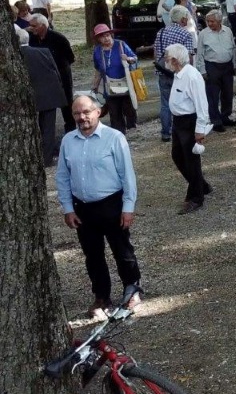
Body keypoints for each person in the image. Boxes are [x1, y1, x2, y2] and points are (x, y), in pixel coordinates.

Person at [56, 95, 142, 318]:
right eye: (77, 113)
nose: (82, 117)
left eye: (86, 112)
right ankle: (102, 296)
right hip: (83, 208)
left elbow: (127, 175)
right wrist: (68, 208)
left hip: (111, 204)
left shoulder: (114, 138)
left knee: (122, 250)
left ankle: (132, 288)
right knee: (92, 255)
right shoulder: (68, 141)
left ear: (98, 112)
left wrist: (128, 207)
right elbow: (63, 177)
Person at [164, 43, 212, 216]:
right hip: (178, 122)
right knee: (177, 155)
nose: (165, 62)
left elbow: (201, 104)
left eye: (167, 59)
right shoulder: (178, 74)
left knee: (191, 160)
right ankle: (201, 185)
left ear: (175, 60)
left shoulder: (192, 76)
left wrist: (200, 129)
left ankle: (196, 197)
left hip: (189, 122)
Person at [19, 26, 66, 165]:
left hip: (27, 97)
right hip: (49, 94)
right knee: (48, 128)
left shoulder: (15, 56)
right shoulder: (44, 51)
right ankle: (47, 159)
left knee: (28, 127)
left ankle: (31, 157)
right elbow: (55, 71)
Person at [27, 13, 75, 133]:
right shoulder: (31, 39)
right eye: (30, 25)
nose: (31, 28)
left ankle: (71, 129)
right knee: (46, 105)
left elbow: (70, 58)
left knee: (66, 103)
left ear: (43, 26)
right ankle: (46, 133)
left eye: (34, 26)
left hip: (61, 75)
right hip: (43, 77)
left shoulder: (58, 38)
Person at [155, 6, 196, 141]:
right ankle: (181, 130)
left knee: (165, 103)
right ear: (183, 19)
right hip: (179, 74)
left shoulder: (161, 32)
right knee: (181, 101)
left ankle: (165, 133)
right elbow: (189, 57)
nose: (187, 20)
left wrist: (160, 69)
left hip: (163, 72)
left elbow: (156, 52)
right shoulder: (185, 34)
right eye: (187, 17)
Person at [195, 10, 236, 132]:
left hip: (227, 66)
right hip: (212, 66)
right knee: (212, 95)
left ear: (219, 21)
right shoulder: (203, 34)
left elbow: (233, 48)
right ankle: (216, 121)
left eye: (212, 21)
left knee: (228, 93)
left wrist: (235, 64)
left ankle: (225, 116)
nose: (209, 23)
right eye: (208, 21)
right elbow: (200, 53)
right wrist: (203, 70)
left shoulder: (228, 31)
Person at [90, 24, 138, 134]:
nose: (106, 38)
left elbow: (135, 58)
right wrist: (95, 85)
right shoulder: (97, 51)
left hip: (125, 83)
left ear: (111, 35)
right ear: (98, 39)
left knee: (129, 109)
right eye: (102, 36)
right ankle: (119, 134)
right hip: (109, 86)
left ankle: (132, 128)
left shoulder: (120, 44)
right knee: (114, 112)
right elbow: (98, 70)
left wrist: (128, 59)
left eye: (107, 35)